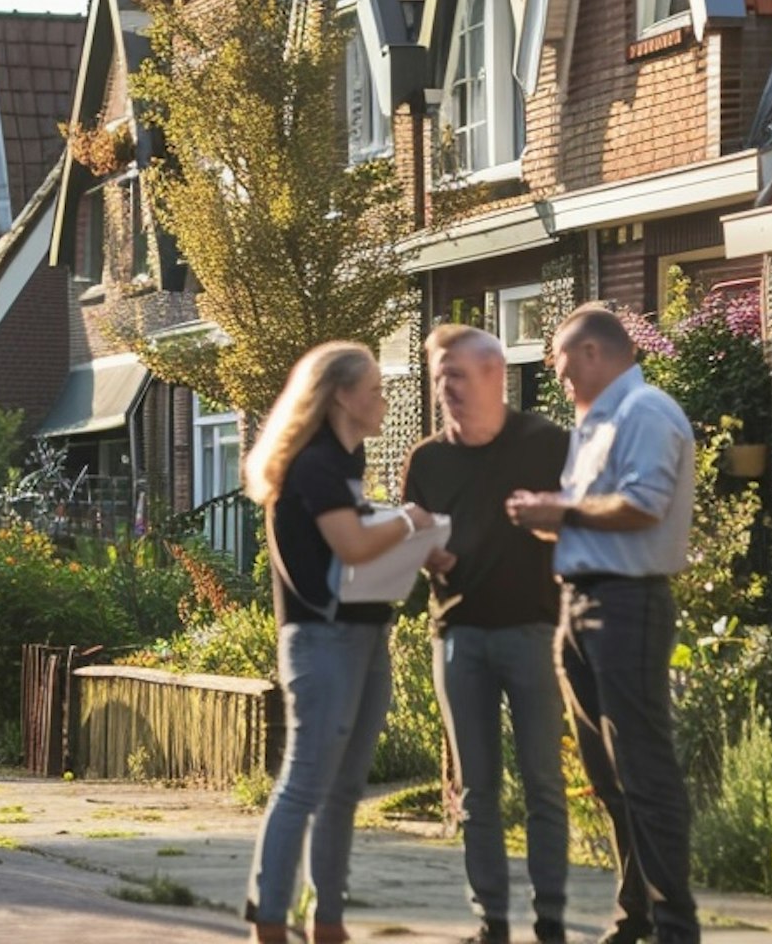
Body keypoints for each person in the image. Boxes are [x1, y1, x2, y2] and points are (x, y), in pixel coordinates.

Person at [505, 305, 700, 944]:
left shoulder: (645, 414)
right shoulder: (597, 423)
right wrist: (549, 517)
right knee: (608, 774)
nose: (556, 377)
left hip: (627, 605)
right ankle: (636, 913)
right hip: (582, 605)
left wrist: (561, 511)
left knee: (643, 767)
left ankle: (676, 925)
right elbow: (590, 513)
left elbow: (642, 506)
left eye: (559, 364)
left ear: (592, 353)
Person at [242, 342, 439, 944]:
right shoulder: (315, 466)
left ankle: (327, 920)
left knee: (346, 789)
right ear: (341, 397)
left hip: (364, 636)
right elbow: (352, 546)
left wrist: (418, 540)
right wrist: (411, 521)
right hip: (324, 643)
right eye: (375, 388)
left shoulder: (344, 465)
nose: (383, 398)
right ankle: (270, 920)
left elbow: (353, 547)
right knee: (305, 784)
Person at [404, 325, 573, 944]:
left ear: (496, 376)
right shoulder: (426, 460)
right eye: (439, 377)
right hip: (459, 637)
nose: (445, 388)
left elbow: (584, 524)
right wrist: (425, 554)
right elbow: (413, 538)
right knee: (476, 791)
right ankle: (491, 925)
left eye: (457, 375)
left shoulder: (547, 443)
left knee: (543, 785)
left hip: (535, 631)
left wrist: (552, 521)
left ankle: (550, 922)